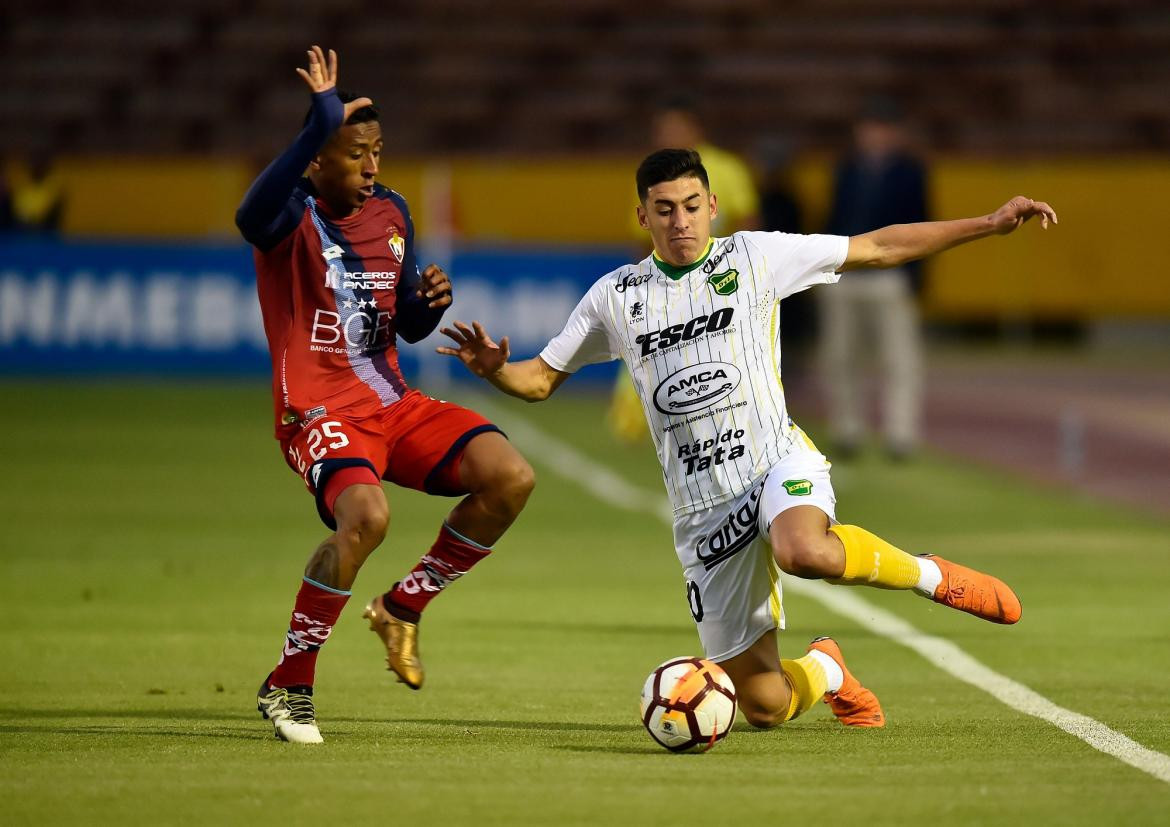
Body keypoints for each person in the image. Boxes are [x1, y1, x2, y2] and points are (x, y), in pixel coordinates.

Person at [437, 149, 1055, 730]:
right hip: (704, 511)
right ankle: (828, 668)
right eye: (664, 209)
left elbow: (878, 246)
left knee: (804, 552)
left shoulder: (755, 258)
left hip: (773, 460)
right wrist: (495, 371)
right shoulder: (615, 298)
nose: (680, 220)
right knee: (762, 705)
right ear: (642, 217)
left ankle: (929, 575)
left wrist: (990, 223)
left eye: (690, 204)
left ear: (712, 205)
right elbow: (541, 379)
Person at [235, 46, 535, 744]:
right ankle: (290, 683)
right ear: (316, 160)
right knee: (366, 517)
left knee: (510, 477)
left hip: (391, 402)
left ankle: (403, 605)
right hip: (317, 409)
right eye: (354, 154)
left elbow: (401, 318)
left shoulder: (393, 212)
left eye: (378, 152)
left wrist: (429, 306)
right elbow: (250, 215)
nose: (372, 167)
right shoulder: (289, 217)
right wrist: (316, 124)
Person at [608, 97, 760, 442]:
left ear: (695, 129)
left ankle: (722, 423)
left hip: (717, 283)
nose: (668, 134)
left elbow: (748, 226)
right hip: (667, 282)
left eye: (675, 127)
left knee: (719, 353)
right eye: (663, 129)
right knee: (655, 347)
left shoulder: (727, 168)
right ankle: (642, 419)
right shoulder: (650, 175)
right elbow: (641, 236)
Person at [822, 98, 930, 459]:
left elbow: (923, 223)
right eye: (869, 128)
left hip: (891, 276)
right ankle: (847, 429)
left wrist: (915, 277)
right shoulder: (847, 168)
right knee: (841, 356)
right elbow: (833, 218)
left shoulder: (911, 171)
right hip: (849, 273)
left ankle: (900, 434)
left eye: (881, 128)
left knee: (899, 359)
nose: (874, 136)